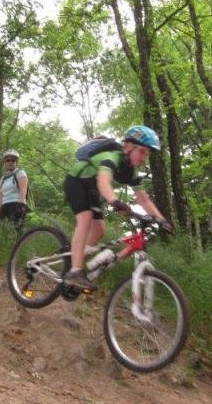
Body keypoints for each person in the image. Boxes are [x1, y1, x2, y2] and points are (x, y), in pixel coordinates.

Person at [62, 125, 173, 291]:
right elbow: (103, 181)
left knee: (99, 230)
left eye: (148, 154)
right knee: (85, 219)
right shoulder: (112, 156)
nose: (145, 157)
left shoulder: (132, 172)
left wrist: (161, 219)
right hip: (76, 181)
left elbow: (143, 199)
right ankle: (76, 270)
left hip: (91, 189)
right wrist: (115, 201)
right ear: (129, 146)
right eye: (143, 151)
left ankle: (73, 257)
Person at [0, 149, 28, 232]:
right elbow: (0, 196)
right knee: (3, 233)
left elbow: (23, 190)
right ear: (5, 162)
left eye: (13, 160)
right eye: (8, 160)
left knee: (17, 231)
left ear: (16, 162)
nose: (10, 162)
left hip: (17, 204)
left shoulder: (20, 173)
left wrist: (20, 205)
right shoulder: (3, 178)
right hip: (4, 206)